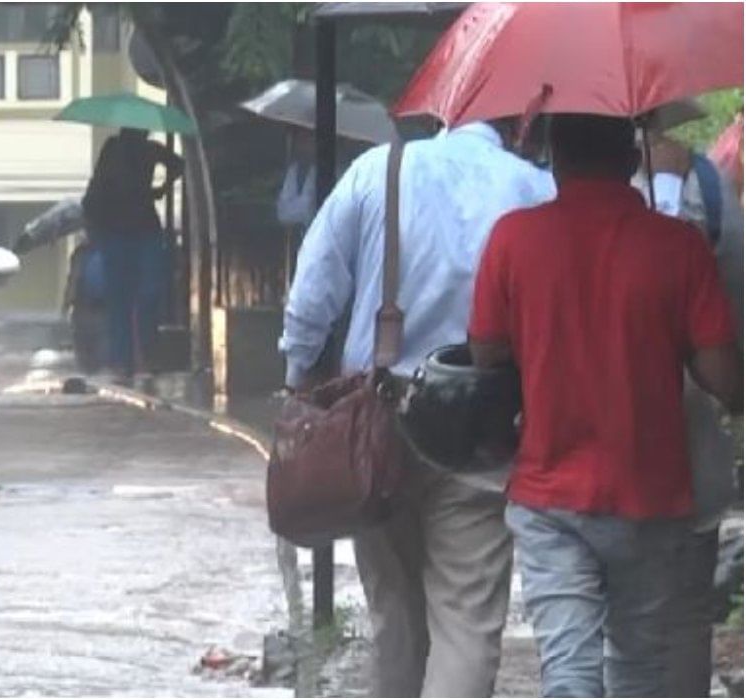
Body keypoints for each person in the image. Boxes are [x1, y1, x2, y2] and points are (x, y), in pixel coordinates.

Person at [469, 114, 742, 697]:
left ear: (555, 158)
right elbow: (723, 376)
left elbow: (486, 352)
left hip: (548, 493)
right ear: (629, 157)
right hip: (650, 496)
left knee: (568, 670)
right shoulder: (678, 247)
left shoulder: (513, 238)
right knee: (639, 667)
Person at [279, 120, 554, 696]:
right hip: (483, 424)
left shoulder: (378, 170)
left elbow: (312, 292)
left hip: (378, 420)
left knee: (394, 615)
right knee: (467, 619)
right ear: (517, 124)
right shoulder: (533, 188)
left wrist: (299, 385)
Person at [636, 130, 744, 697]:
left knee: (601, 616)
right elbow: (737, 326)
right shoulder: (713, 187)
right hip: (688, 446)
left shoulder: (543, 192)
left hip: (579, 453)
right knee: (681, 619)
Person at [81, 128, 183, 382]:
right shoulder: (115, 149)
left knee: (142, 296)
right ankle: (124, 360)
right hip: (118, 232)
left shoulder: (149, 149)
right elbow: (96, 192)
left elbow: (178, 164)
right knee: (122, 299)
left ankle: (137, 357)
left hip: (137, 231)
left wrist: (160, 188)